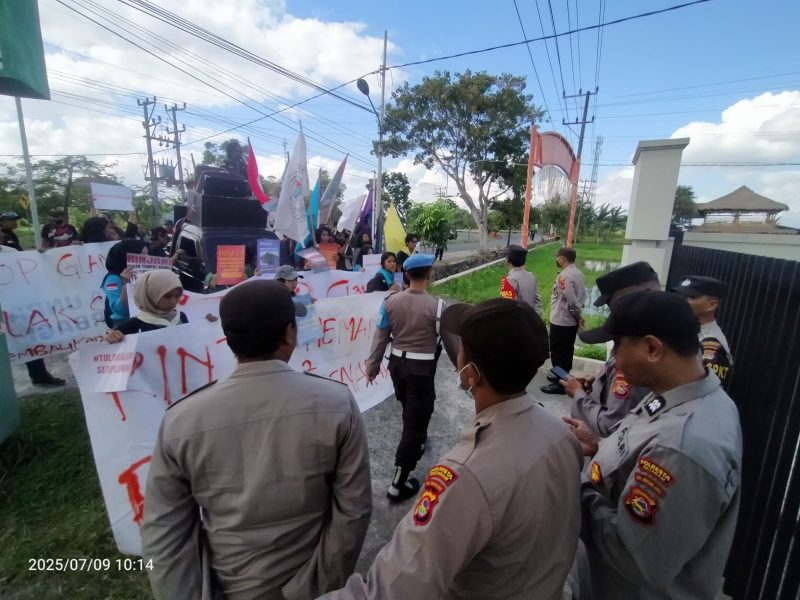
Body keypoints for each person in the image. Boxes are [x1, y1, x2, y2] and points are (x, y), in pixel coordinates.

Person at [323, 299, 583, 600]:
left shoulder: (465, 475)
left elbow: (391, 589)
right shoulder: (562, 434)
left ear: (470, 373)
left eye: (462, 349)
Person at [142, 280, 372, 599]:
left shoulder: (180, 421)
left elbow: (163, 534)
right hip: (315, 587)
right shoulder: (337, 403)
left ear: (229, 340)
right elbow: (354, 512)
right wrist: (317, 586)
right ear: (290, 333)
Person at [564, 291, 742, 599]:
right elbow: (638, 449)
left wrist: (571, 483)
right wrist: (599, 446)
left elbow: (634, 558)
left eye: (617, 345)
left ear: (652, 348)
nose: (614, 359)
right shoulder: (678, 395)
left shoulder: (682, 447)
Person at [366, 254, 456, 501]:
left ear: (405, 275)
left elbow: (380, 337)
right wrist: (462, 369)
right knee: (415, 422)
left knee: (410, 408)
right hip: (422, 371)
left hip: (397, 367)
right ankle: (398, 483)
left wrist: (372, 367)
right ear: (429, 275)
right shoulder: (438, 307)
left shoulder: (390, 301)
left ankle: (418, 440)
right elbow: (451, 342)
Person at [563, 262, 660, 438]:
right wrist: (599, 381)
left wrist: (578, 394)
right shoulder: (645, 333)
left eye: (611, 303)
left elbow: (611, 425)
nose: (614, 353)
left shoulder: (635, 360)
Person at [0, 213, 66, 386]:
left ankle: (39, 375)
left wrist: (39, 257)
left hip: (13, 304)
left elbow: (22, 269)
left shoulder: (10, 252)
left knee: (26, 338)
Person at [541, 247, 587, 395]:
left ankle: (560, 385)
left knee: (558, 354)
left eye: (558, 257)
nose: (556, 260)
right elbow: (582, 298)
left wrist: (577, 316)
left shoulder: (564, 276)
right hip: (570, 323)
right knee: (566, 352)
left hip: (561, 321)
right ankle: (562, 377)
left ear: (563, 259)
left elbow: (572, 302)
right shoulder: (578, 273)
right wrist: (578, 317)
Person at [672, 275, 734, 383]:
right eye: (681, 295)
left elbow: (704, 387)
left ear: (711, 305)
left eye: (691, 297)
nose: (683, 300)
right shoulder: (688, 328)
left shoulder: (711, 344)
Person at [105, 270, 188, 341]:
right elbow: (110, 346)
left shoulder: (181, 317)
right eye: (167, 296)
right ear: (151, 295)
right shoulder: (131, 326)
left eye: (178, 295)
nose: (173, 301)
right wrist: (111, 338)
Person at [101, 239, 148, 327]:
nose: (147, 257)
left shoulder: (143, 273)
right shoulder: (113, 279)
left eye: (147, 253)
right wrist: (127, 285)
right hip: (125, 324)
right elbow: (118, 309)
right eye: (142, 254)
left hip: (145, 318)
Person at [500, 244, 542, 316]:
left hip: (518, 321)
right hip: (532, 319)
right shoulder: (531, 276)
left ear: (507, 260)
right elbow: (537, 302)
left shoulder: (509, 281)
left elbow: (507, 308)